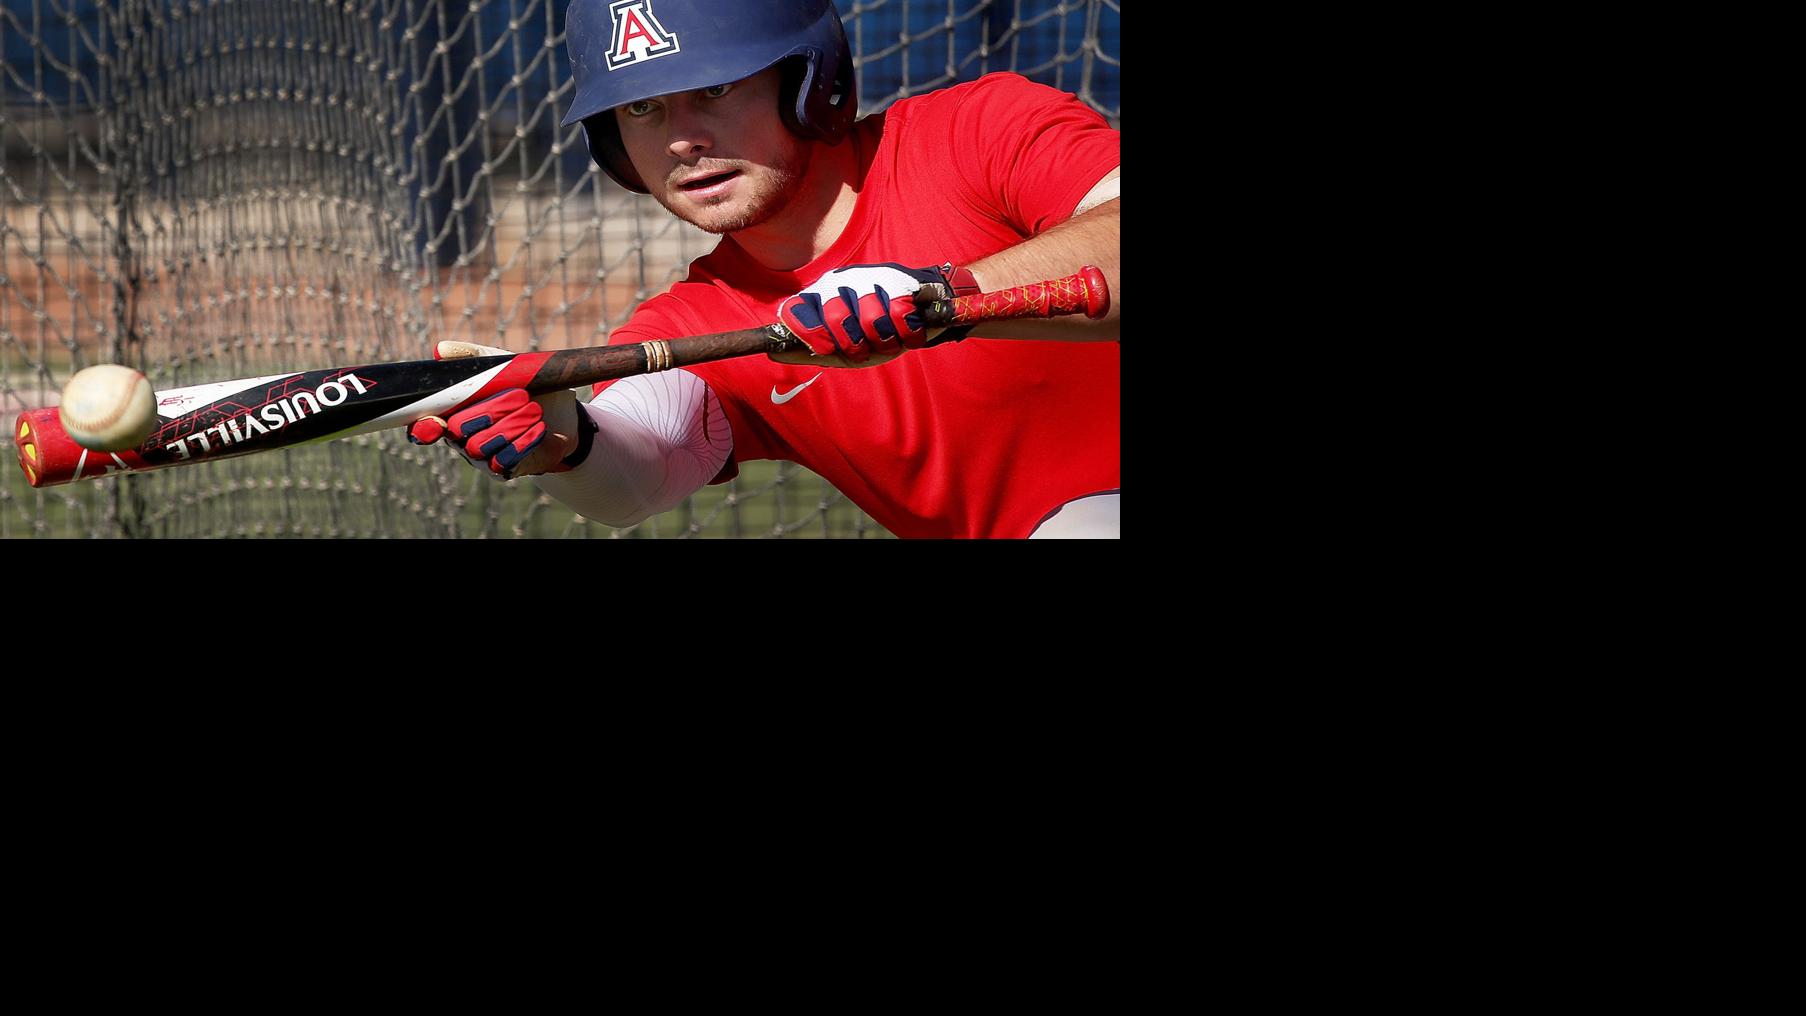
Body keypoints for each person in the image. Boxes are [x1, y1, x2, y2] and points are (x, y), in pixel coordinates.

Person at [408, 0, 1119, 538]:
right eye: (643, 108)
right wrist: (564, 440)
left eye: (713, 90)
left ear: (808, 82)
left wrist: (940, 298)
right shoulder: (696, 319)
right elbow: (636, 475)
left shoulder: (980, 130)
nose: (682, 139)